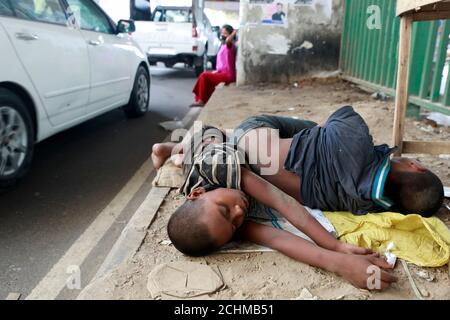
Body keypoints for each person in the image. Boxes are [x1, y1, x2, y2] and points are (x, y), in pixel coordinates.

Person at [152, 107, 444, 290]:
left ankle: (171, 149)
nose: (240, 211)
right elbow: (278, 240)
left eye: (226, 210)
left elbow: (282, 202)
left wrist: (334, 245)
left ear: (198, 193)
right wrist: (339, 263)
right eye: (234, 224)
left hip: (219, 141)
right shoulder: (221, 218)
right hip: (236, 151)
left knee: (211, 139)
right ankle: (172, 153)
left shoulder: (221, 168)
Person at [190, 25, 237, 108]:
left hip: (228, 75)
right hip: (221, 72)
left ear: (229, 35)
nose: (222, 35)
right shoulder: (222, 46)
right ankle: (201, 99)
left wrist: (233, 32)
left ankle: (201, 100)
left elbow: (228, 40)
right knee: (204, 76)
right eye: (222, 33)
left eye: (225, 33)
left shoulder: (230, 46)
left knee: (204, 76)